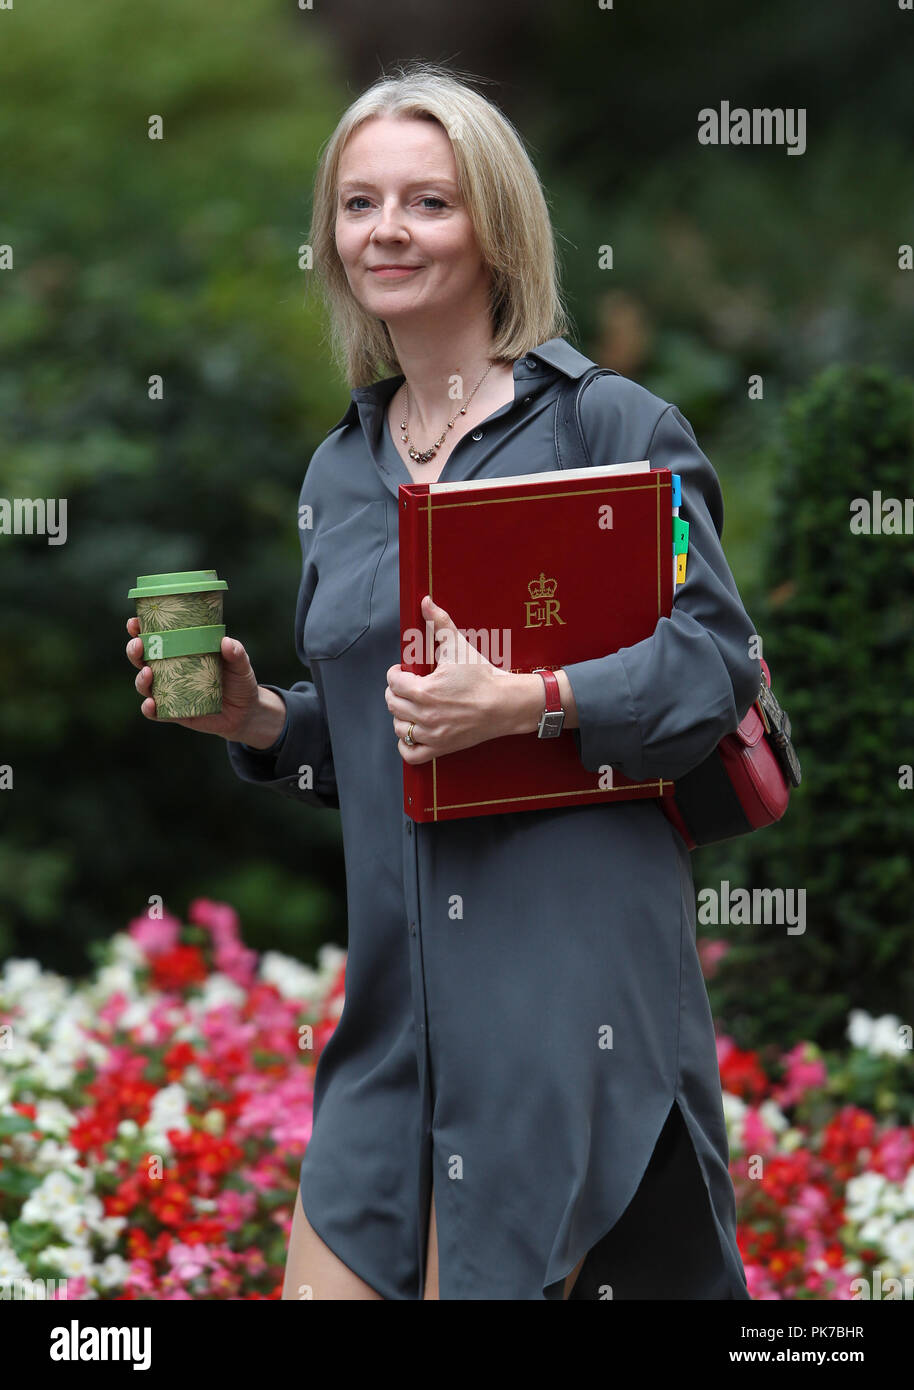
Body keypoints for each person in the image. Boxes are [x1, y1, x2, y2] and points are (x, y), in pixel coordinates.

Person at [126, 60, 760, 1301]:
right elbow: (376, 739)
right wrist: (258, 716)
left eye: (427, 201)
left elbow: (714, 665)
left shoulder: (609, 426)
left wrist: (529, 701)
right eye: (358, 205)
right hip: (396, 1007)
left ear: (493, 227)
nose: (387, 231)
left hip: (562, 988)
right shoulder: (339, 470)